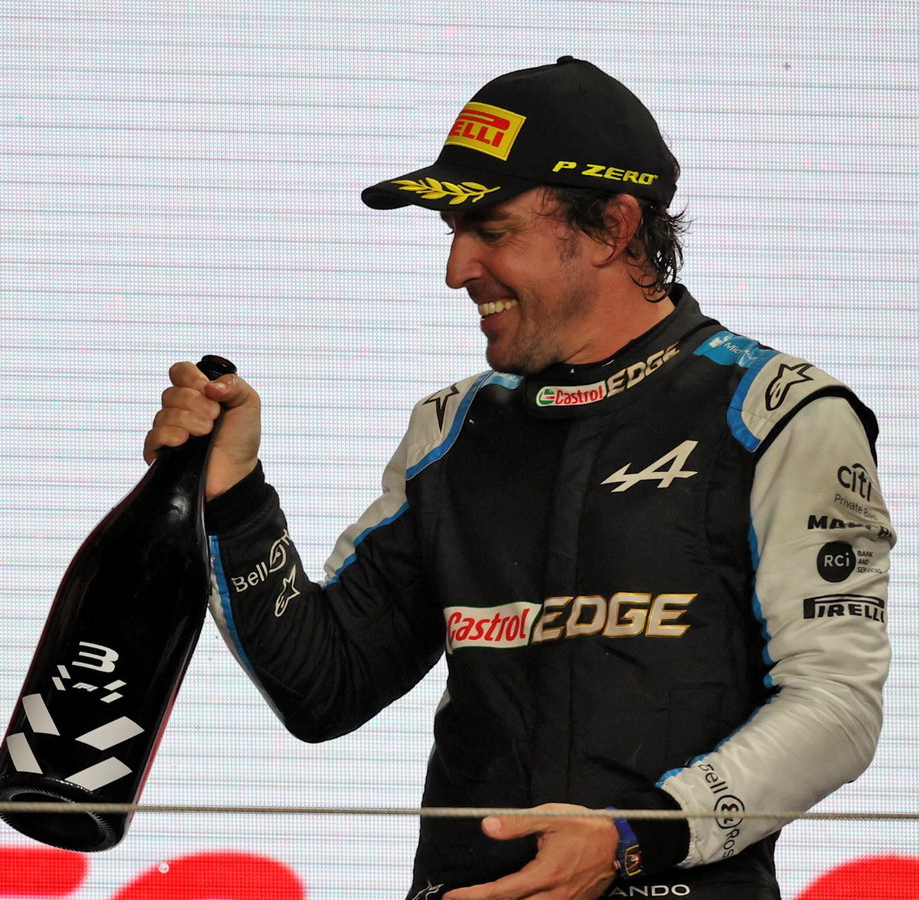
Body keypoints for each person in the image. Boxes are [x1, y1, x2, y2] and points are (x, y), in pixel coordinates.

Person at [145, 57, 892, 899]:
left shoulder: (777, 413)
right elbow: (326, 687)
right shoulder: (455, 429)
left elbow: (837, 706)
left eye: (493, 231)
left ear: (613, 228)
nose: (458, 269)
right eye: (453, 234)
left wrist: (631, 840)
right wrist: (232, 495)